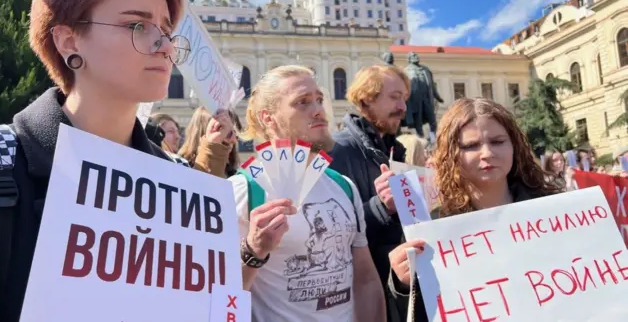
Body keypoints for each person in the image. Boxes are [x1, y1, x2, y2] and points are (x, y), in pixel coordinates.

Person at [0, 0, 189, 321]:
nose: (165, 46)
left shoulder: (180, 181)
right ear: (69, 41)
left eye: (167, 29)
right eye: (137, 25)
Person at [230, 65, 385, 322]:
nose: (318, 110)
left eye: (319, 100)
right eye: (302, 102)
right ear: (269, 118)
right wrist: (253, 250)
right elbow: (219, 293)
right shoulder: (243, 190)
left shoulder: (344, 186)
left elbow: (366, 280)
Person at [387, 98, 562, 321]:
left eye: (498, 141)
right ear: (451, 155)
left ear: (514, 146)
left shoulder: (555, 210)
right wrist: (401, 284)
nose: (487, 153)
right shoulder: (429, 228)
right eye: (470, 146)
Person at [328, 65, 410, 322]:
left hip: (395, 287)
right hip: (364, 298)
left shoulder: (393, 149)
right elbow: (331, 233)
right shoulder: (338, 149)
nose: (403, 107)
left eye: (404, 99)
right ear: (366, 99)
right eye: (395, 97)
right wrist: (381, 206)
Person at [178, 106, 240, 178]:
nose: (234, 140)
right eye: (228, 134)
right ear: (206, 131)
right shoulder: (180, 168)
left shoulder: (234, 176)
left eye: (236, 135)